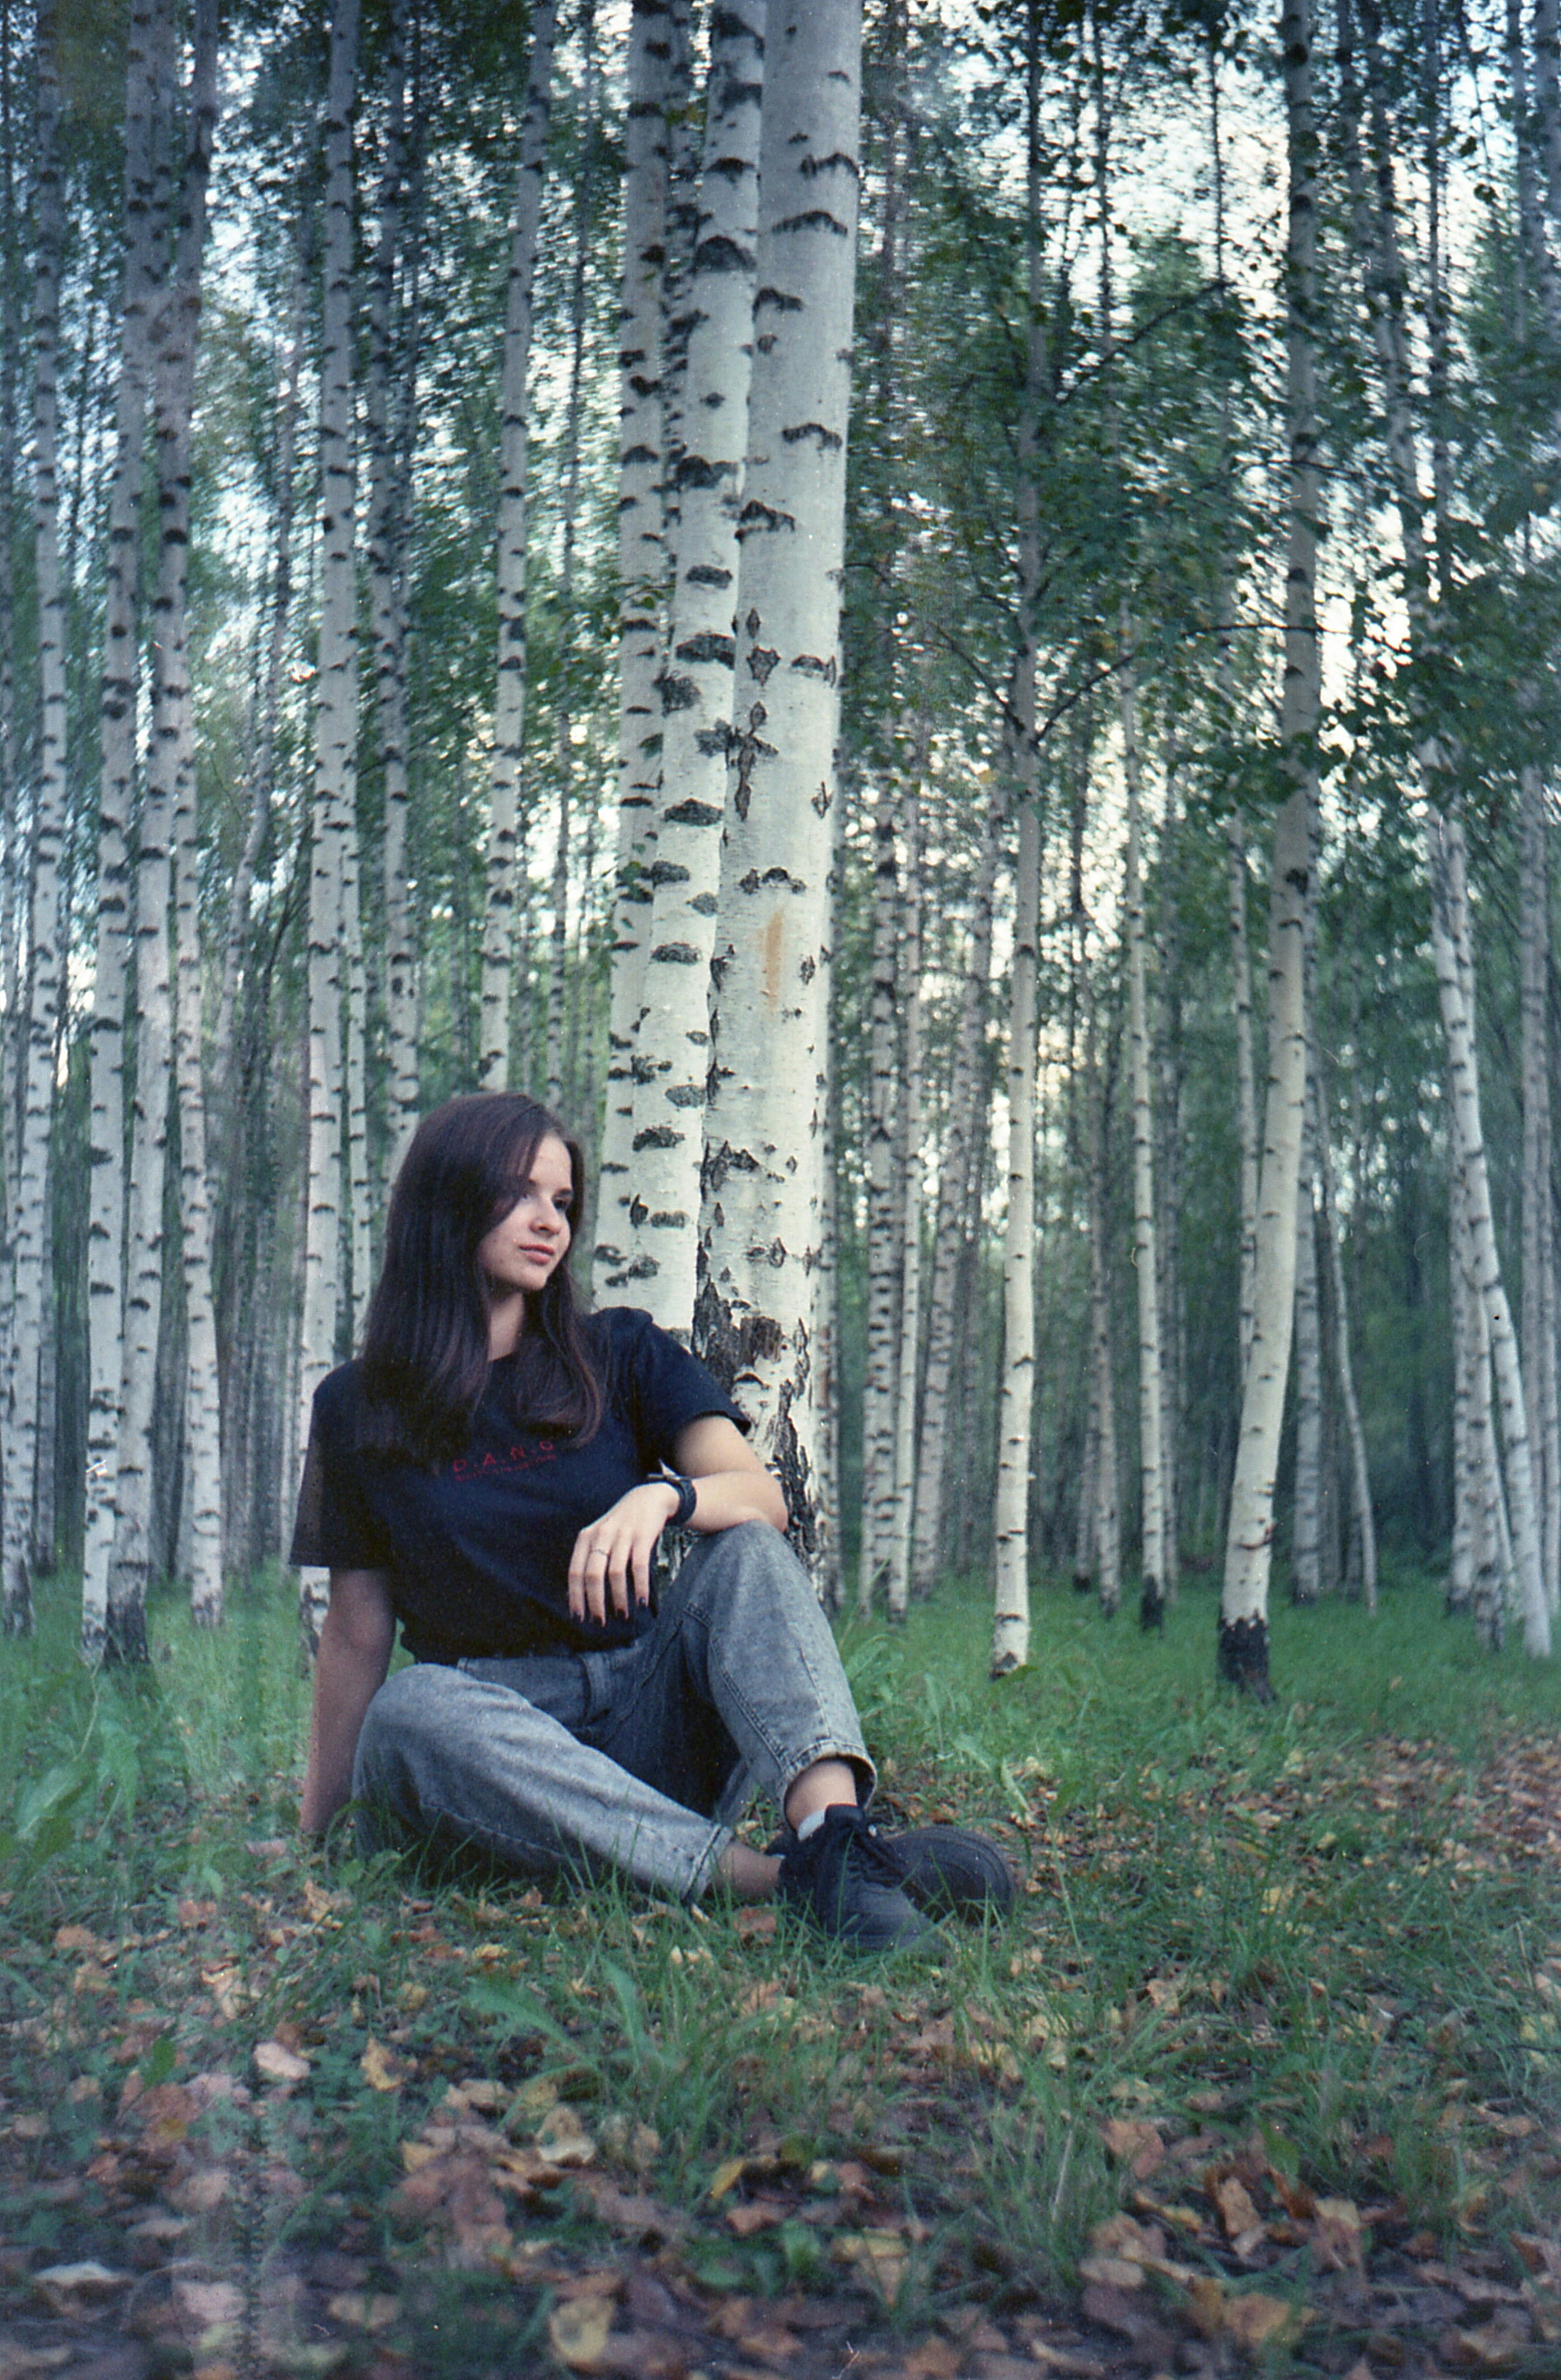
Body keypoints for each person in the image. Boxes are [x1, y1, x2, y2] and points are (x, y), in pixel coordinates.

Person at [294, 1092, 1012, 1954]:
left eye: (562, 1202)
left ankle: (829, 1833)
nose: (548, 1223)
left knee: (744, 1550)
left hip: (648, 1712)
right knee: (411, 1709)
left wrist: (663, 1496)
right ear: (447, 1199)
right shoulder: (357, 1405)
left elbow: (763, 1498)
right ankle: (795, 1882)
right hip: (494, 1750)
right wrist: (318, 1836)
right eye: (519, 1194)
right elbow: (356, 1632)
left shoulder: (618, 1351)